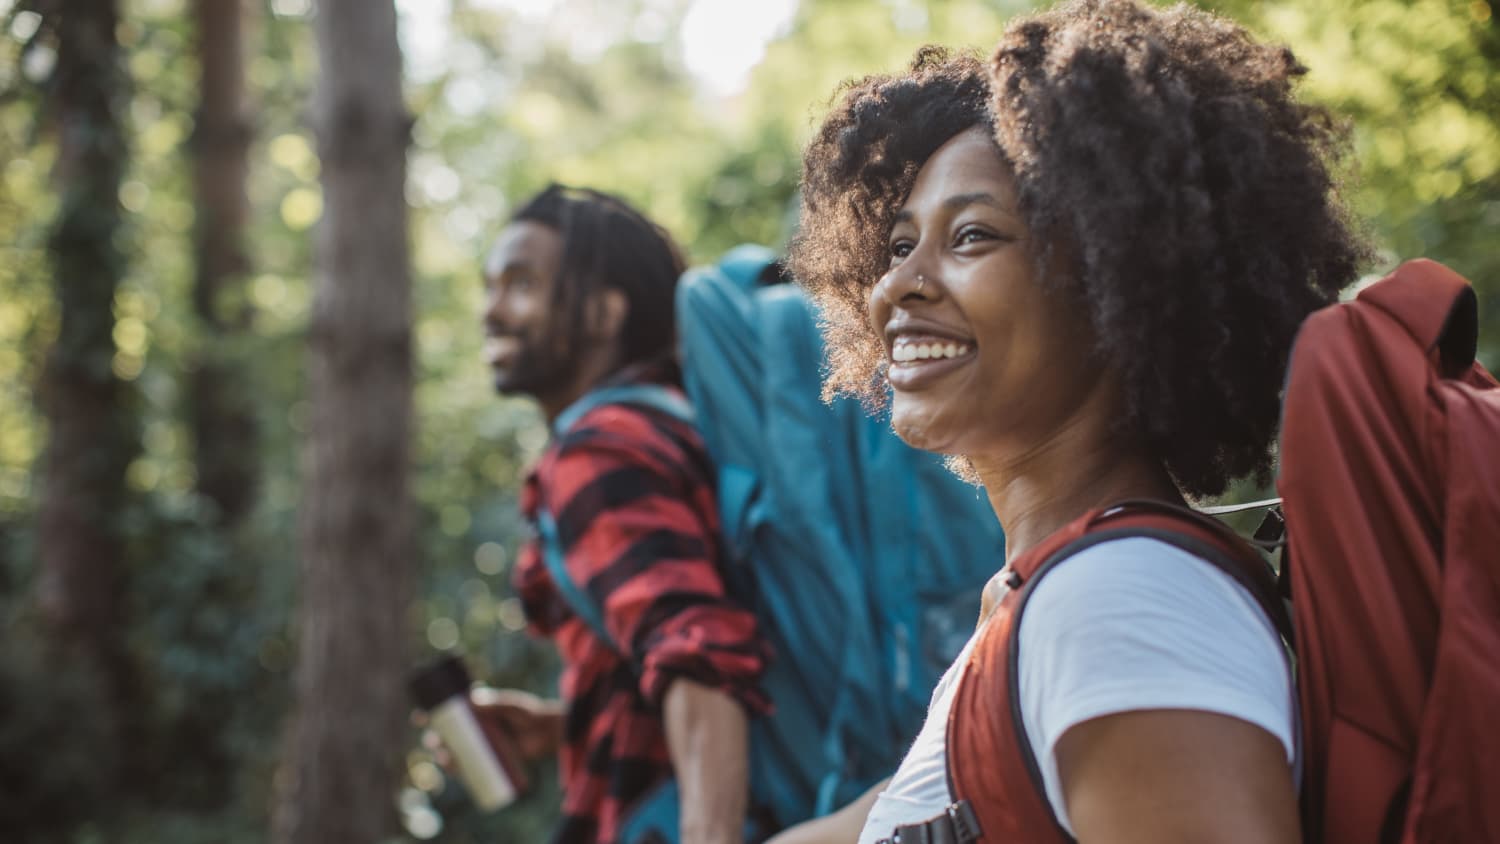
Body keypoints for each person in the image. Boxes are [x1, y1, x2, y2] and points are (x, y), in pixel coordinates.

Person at [775, 1, 1370, 841]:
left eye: (972, 235)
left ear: (1118, 285)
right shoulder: (1042, 600)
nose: (898, 285)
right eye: (899, 244)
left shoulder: (1118, 604)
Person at [475, 183, 770, 844]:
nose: (491, 310)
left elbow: (697, 654)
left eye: (521, 285)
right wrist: (564, 723)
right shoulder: (677, 424)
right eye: (490, 285)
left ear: (605, 314)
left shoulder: (599, 451)